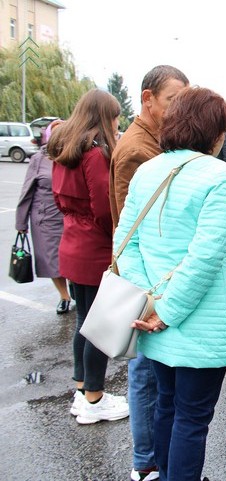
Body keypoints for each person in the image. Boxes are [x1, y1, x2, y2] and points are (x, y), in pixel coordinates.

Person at [116, 87, 226, 481]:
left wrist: (148, 302)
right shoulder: (219, 174)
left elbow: (125, 246)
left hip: (150, 316)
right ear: (213, 131)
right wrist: (166, 312)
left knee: (166, 406)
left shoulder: (146, 170)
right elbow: (206, 256)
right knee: (192, 418)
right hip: (196, 322)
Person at [109, 64, 189, 481]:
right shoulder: (139, 151)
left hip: (153, 279)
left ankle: (153, 459)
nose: (178, 110)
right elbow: (131, 227)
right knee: (143, 375)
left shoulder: (154, 143)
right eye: (173, 101)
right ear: (148, 99)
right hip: (144, 282)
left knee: (152, 375)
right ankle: (146, 464)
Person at [47, 89, 130, 423]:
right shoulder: (94, 154)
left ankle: (83, 391)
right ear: (103, 117)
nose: (117, 122)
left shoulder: (63, 150)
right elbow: (103, 208)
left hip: (71, 242)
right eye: (114, 116)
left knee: (85, 322)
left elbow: (61, 201)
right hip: (95, 247)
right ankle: (94, 399)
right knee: (99, 326)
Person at [16, 119, 71, 315]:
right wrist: (20, 221)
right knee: (52, 260)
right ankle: (64, 296)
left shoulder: (73, 155)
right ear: (48, 136)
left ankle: (76, 287)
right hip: (45, 218)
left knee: (72, 257)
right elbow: (27, 190)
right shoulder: (38, 159)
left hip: (69, 215)